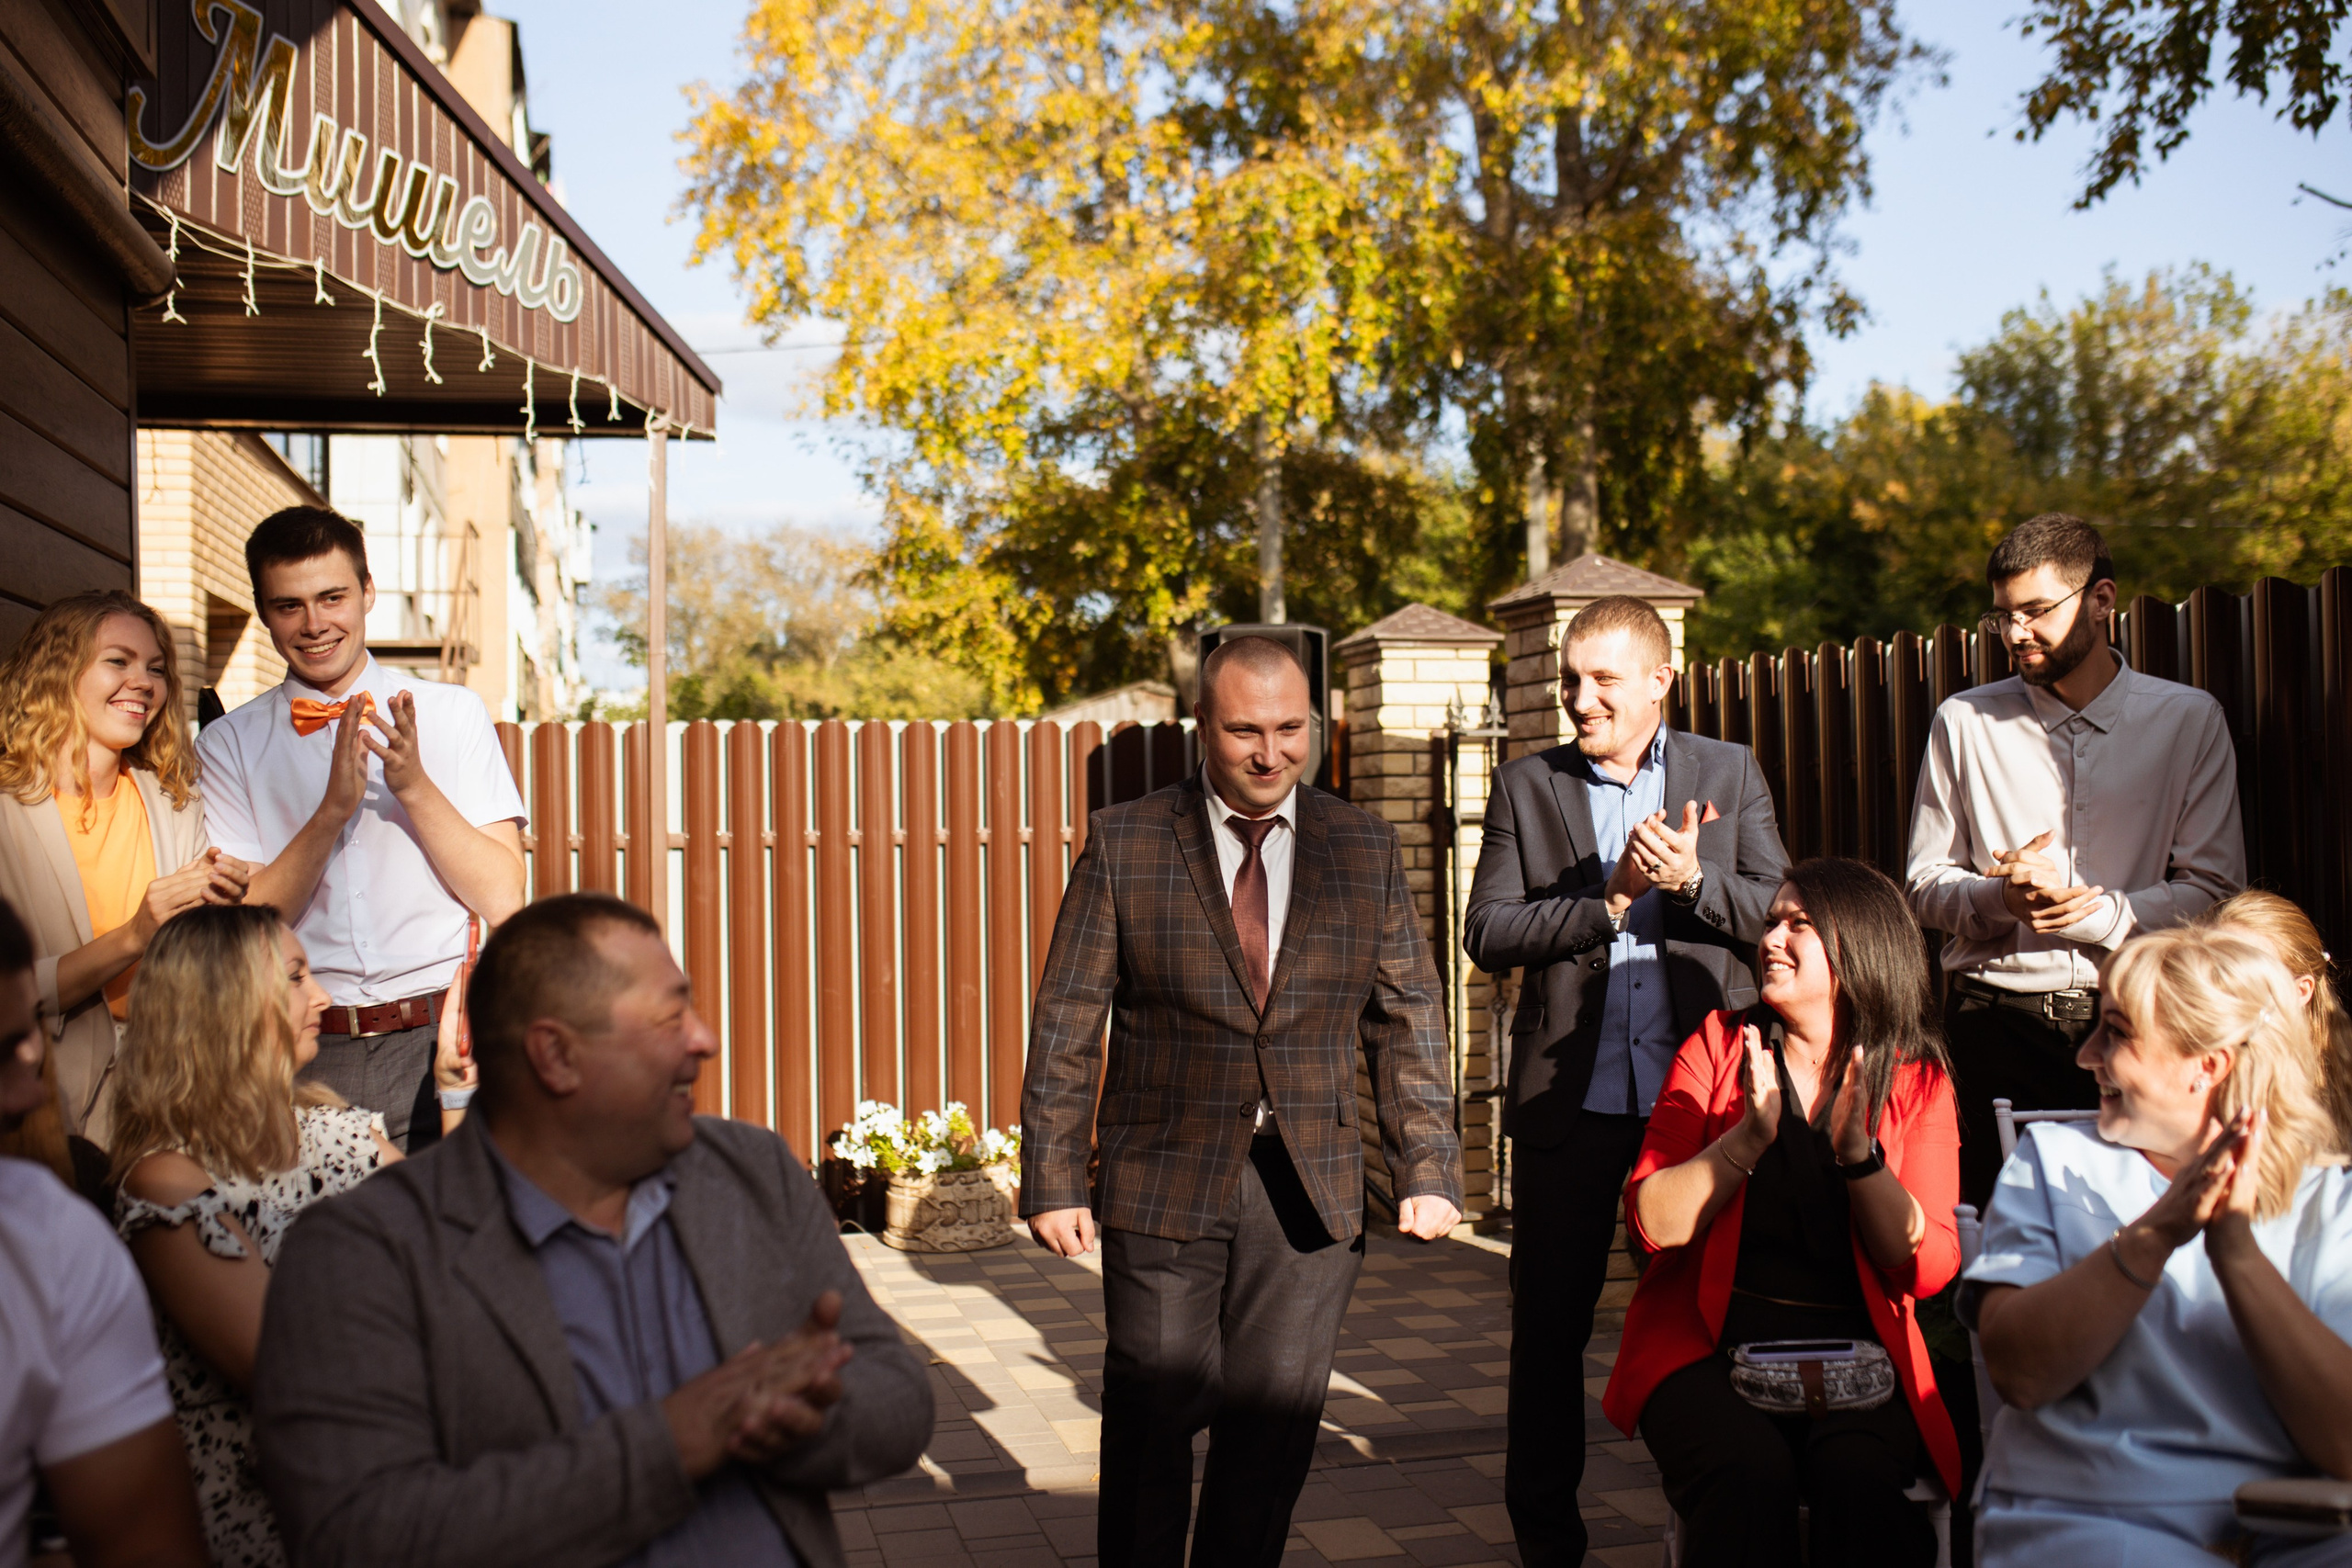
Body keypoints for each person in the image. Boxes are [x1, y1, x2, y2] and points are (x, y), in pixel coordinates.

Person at [252, 892, 931, 1567]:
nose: (705, 1040)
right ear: (556, 1055)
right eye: (670, 1017)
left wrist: (800, 1413)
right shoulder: (364, 1254)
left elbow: (900, 1398)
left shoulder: (750, 1173)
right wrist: (672, 1443)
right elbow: (356, 1536)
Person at [1022, 635, 1464, 1568]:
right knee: (1150, 1413)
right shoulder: (1126, 840)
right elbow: (1068, 1017)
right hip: (1160, 1178)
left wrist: (1427, 1165)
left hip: (1311, 1190)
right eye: (1245, 732)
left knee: (1272, 1434)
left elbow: (1409, 1012)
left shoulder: (1365, 847)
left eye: (1290, 729)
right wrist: (1053, 1176)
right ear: (1201, 726)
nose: (1271, 754)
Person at [1463, 593, 1789, 1568]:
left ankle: (1712, 1524)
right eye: (1571, 679)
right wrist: (1607, 901)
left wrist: (1691, 883)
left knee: (1705, 1322)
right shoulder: (1526, 784)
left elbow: (1779, 912)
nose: (1580, 699)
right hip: (1569, 1110)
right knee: (1547, 1336)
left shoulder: (1728, 771)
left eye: (1603, 679)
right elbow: (1487, 930)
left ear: (1660, 680)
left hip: (1699, 1109)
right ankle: (1547, 1545)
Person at [1603, 859, 1962, 1566]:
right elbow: (1651, 1223)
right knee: (1748, 1473)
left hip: (1861, 1356)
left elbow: (1927, 1267)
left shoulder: (1915, 1078)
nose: (1771, 938)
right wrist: (1747, 1138)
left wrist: (1861, 1159)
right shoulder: (1718, 1044)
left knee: (1858, 1480)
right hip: (1706, 1347)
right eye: (1772, 921)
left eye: (1799, 925)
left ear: (1859, 947)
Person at [1962, 928, 2352, 1564]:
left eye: (2115, 1032)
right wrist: (2156, 1233)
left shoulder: (2330, 1201)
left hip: (2296, 1524)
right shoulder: (2055, 1160)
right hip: (2091, 1517)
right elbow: (2019, 1374)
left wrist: (2237, 1256)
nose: (2086, 1055)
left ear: (2209, 1065)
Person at [1907, 513, 2244, 1206]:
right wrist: (2001, 900)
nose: (2015, 633)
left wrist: (2092, 915)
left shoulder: (2188, 720)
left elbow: (2214, 893)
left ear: (2101, 600)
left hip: (2142, 1024)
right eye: (2002, 616)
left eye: (2035, 611)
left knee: (2141, 1228)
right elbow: (1923, 886)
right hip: (1993, 1024)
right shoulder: (1962, 722)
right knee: (1999, 1236)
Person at [198, 505, 526, 1150]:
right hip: (300, 1046)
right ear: (263, 612)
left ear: (368, 592)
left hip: (444, 1038)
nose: (315, 624)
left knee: (452, 1214)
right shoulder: (227, 743)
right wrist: (330, 813)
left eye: (332, 597)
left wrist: (415, 788)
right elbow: (242, 929)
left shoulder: (453, 713)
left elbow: (504, 898)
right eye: (289, 606)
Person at [108, 904, 407, 1567]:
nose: (322, 997)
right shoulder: (168, 1183)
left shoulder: (337, 1132)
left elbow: (454, 1251)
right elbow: (281, 1365)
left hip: (379, 1473)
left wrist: (456, 1094)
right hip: (259, 1511)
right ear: (226, 1005)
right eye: (297, 977)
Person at [0, 893, 208, 1568]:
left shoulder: (53, 1236)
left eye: (31, 1040)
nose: (29, 1093)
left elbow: (144, 1544)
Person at [0, 590, 248, 1145]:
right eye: (119, 661)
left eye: (156, 669)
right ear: (57, 672)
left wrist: (218, 911)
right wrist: (135, 935)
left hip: (166, 1096)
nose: (144, 682)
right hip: (43, 1105)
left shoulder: (176, 801)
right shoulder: (6, 811)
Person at [2202, 889, 2352, 1150]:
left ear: (2300, 991)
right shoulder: (2192, 1073)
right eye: (2209, 968)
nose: (2220, 988)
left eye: (2246, 972)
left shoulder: (2334, 1084)